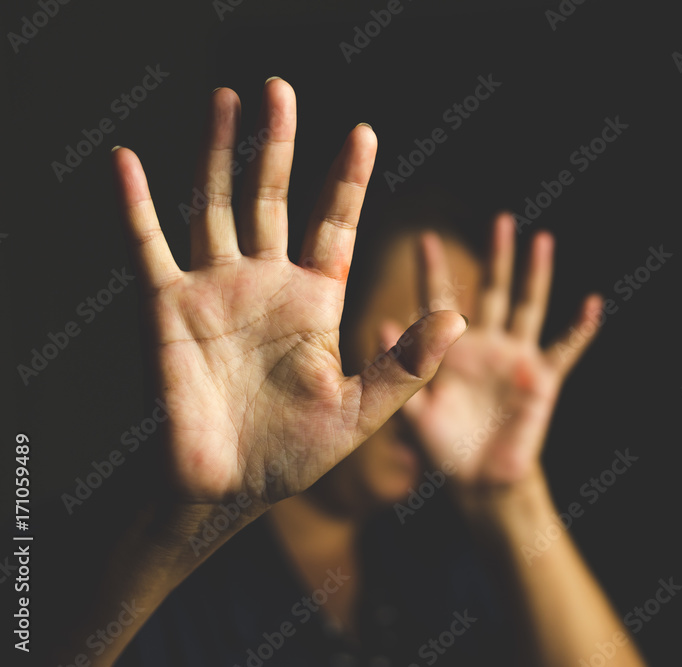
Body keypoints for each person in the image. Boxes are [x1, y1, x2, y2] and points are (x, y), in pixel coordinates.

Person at [51, 77, 646, 667]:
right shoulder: (120, 559)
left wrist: (509, 495)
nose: (431, 381)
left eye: (457, 356)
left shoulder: (439, 569)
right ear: (325, 329)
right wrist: (176, 532)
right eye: (411, 337)